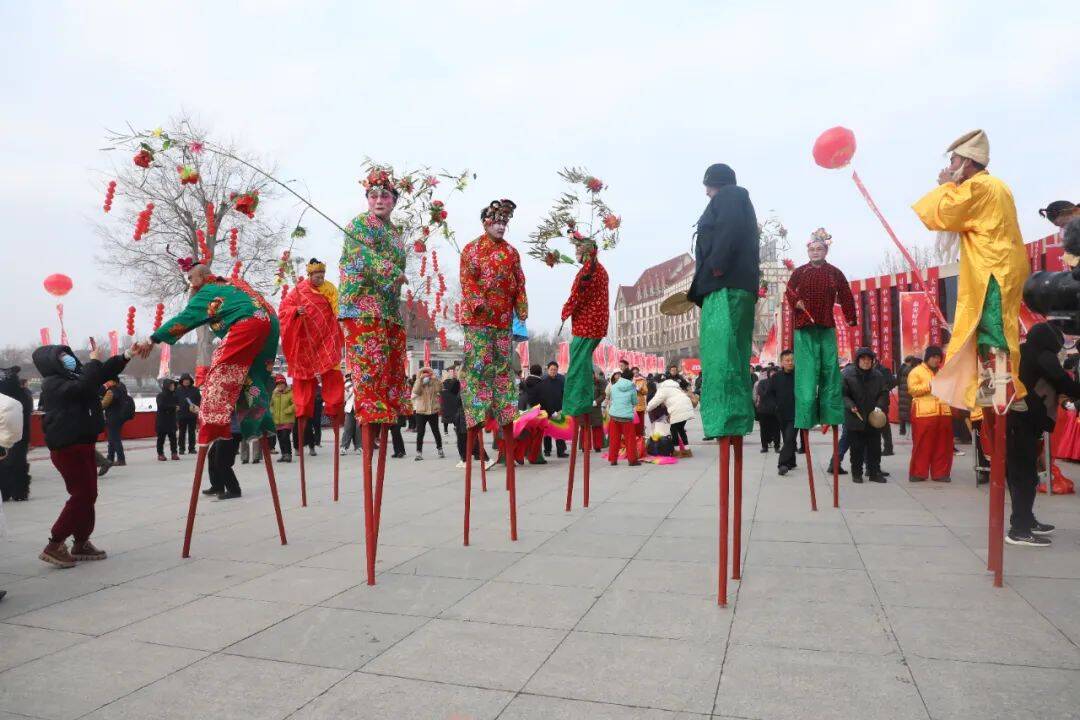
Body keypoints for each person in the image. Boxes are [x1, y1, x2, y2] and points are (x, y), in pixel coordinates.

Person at [912, 129, 1029, 412]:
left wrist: (944, 186)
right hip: (996, 263)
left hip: (993, 266)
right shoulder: (993, 186)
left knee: (991, 323)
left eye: (953, 161)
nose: (949, 168)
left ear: (968, 162)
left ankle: (1004, 385)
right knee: (988, 324)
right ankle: (995, 382)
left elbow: (945, 213)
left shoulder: (982, 187)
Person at [138, 262, 279, 446]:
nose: (190, 284)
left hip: (248, 323)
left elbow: (185, 319)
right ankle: (258, 424)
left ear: (202, 277)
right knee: (251, 376)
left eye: (191, 279)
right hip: (271, 324)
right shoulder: (233, 282)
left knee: (218, 373)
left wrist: (153, 339)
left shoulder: (207, 291)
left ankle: (214, 427)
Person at [32, 343, 131, 567]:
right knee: (82, 495)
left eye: (68, 354)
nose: (68, 359)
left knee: (89, 495)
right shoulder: (53, 384)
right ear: (51, 363)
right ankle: (55, 543)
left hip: (83, 443)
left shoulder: (74, 377)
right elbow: (85, 385)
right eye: (62, 357)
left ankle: (81, 541)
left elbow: (101, 373)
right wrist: (94, 361)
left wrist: (126, 356)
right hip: (68, 446)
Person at [687, 163, 760, 441]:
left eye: (708, 185)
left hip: (725, 284)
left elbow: (729, 229)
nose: (706, 192)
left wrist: (717, 264)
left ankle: (725, 419)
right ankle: (733, 417)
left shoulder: (730, 197)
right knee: (734, 353)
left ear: (716, 182)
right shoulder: (738, 199)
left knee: (721, 352)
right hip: (734, 285)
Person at [339, 169, 410, 455]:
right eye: (373, 195)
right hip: (362, 305)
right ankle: (369, 415)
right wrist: (392, 271)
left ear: (393, 200)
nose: (379, 200)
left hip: (388, 308)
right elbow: (363, 257)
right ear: (367, 199)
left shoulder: (394, 232)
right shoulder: (359, 224)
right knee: (370, 362)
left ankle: (392, 409)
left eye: (385, 195)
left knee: (390, 364)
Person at [1006, 322, 1080, 546]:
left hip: (1022, 421)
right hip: (1023, 422)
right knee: (1024, 476)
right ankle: (1019, 529)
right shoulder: (1043, 356)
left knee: (1025, 474)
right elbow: (1064, 382)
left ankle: (1025, 520)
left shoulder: (1026, 350)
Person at [459, 199, 528, 440]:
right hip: (478, 319)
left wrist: (521, 305)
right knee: (478, 364)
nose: (501, 227)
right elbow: (468, 281)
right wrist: (478, 303)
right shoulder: (472, 249)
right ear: (485, 223)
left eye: (504, 223)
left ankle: (506, 410)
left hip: (502, 320)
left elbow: (520, 281)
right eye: (497, 222)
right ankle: (476, 413)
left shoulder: (511, 252)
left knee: (502, 366)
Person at [784, 228, 858, 434]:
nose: (815, 252)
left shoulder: (834, 272)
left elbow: (845, 295)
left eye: (819, 249)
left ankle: (831, 414)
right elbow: (789, 291)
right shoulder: (800, 272)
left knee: (830, 370)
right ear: (808, 252)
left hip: (825, 324)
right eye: (812, 249)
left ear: (826, 251)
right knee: (806, 373)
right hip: (804, 326)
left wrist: (851, 317)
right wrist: (795, 302)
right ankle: (806, 415)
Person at [279, 257, 344, 455]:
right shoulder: (298, 291)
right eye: (317, 275)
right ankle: (299, 433)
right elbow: (283, 310)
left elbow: (337, 310)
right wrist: (295, 312)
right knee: (303, 383)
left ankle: (335, 413)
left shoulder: (330, 289)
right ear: (310, 275)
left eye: (322, 275)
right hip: (305, 342)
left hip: (326, 338)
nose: (320, 279)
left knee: (333, 375)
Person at [906, 346, 953, 482]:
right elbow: (912, 390)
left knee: (943, 445)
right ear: (927, 357)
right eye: (933, 357)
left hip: (943, 411)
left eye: (938, 357)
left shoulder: (944, 372)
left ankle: (941, 473)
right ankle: (918, 473)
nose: (936, 360)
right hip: (924, 413)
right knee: (922, 444)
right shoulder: (916, 371)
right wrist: (930, 386)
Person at [842, 347, 888, 484]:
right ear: (858, 360)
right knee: (856, 449)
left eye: (869, 359)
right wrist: (850, 405)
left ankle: (874, 473)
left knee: (875, 448)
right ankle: (857, 474)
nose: (866, 362)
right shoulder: (847, 374)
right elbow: (842, 394)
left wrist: (879, 406)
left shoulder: (878, 376)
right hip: (855, 417)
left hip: (873, 418)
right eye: (863, 359)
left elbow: (883, 393)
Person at [0, 366, 32, 501]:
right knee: (18, 463)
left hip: (7, 433)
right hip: (20, 433)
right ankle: (19, 492)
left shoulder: (6, 396)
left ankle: (6, 492)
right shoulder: (23, 394)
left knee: (5, 464)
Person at [646, 373, 695, 457]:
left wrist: (647, 408)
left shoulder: (663, 389)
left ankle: (677, 451)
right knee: (681, 429)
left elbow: (655, 401)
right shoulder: (675, 387)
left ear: (658, 382)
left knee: (673, 429)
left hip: (678, 409)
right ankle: (687, 450)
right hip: (686, 407)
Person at [766, 350, 798, 475]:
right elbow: (769, 394)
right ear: (782, 362)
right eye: (787, 360)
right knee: (788, 438)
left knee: (789, 438)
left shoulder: (798, 376)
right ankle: (792, 461)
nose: (790, 363)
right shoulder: (776, 377)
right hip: (781, 414)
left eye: (792, 360)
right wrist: (775, 406)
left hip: (796, 413)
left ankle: (782, 464)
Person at [201, 412, 242, 500]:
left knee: (222, 461)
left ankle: (234, 489)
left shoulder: (234, 398)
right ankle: (217, 486)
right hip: (223, 429)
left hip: (232, 431)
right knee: (212, 456)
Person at [607, 372, 640, 466]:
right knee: (630, 439)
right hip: (626, 417)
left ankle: (613, 460)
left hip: (614, 416)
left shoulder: (613, 386)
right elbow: (634, 402)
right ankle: (632, 460)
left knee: (614, 439)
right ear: (631, 378)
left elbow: (612, 399)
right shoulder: (632, 387)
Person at [412, 366, 444, 460]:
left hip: (433, 411)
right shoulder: (419, 382)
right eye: (424, 373)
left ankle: (440, 449)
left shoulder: (434, 382)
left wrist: (435, 378)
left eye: (427, 373)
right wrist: (420, 379)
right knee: (420, 432)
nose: (426, 375)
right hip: (421, 412)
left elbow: (440, 389)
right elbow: (416, 391)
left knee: (436, 431)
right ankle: (419, 453)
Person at [538, 361, 567, 457]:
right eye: (551, 369)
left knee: (560, 430)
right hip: (547, 410)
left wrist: (564, 407)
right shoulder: (543, 380)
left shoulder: (561, 379)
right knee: (547, 432)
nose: (553, 371)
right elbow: (541, 397)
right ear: (547, 369)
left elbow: (565, 394)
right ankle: (547, 450)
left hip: (559, 408)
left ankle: (561, 451)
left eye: (555, 369)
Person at [270, 376, 295, 462]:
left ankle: (288, 454)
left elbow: (295, 404)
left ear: (285, 384)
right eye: (278, 384)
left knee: (285, 437)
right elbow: (271, 405)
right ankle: (283, 454)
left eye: (282, 383)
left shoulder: (290, 393)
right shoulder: (274, 393)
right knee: (280, 438)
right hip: (277, 420)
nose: (280, 385)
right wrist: (272, 411)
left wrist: (288, 410)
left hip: (287, 419)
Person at [754, 368, 779, 454]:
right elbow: (762, 394)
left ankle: (777, 446)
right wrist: (770, 384)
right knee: (764, 429)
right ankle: (764, 446)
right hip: (763, 410)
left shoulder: (779, 383)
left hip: (775, 410)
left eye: (775, 373)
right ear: (768, 374)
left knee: (776, 429)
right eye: (772, 373)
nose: (773, 374)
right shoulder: (762, 382)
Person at [175, 373, 201, 454]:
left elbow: (199, 401)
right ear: (182, 381)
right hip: (181, 414)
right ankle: (181, 448)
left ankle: (191, 448)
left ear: (190, 381)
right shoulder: (177, 390)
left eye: (188, 380)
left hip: (192, 414)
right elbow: (175, 401)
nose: (186, 381)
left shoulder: (195, 390)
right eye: (184, 380)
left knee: (192, 432)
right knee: (182, 432)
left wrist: (196, 407)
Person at [155, 378, 179, 461]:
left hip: (171, 419)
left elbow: (178, 404)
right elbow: (161, 406)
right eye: (171, 385)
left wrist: (177, 407)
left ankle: (174, 453)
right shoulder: (160, 395)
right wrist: (173, 407)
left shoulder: (174, 395)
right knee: (161, 438)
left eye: (173, 385)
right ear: (167, 386)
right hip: (162, 420)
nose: (173, 387)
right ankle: (160, 454)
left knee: (173, 438)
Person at [876, 359, 897, 456]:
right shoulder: (869, 370)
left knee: (884, 426)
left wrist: (886, 387)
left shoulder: (884, 370)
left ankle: (888, 448)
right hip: (872, 402)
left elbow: (894, 381)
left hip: (882, 402)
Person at [896, 355, 918, 436]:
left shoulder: (901, 368)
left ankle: (902, 430)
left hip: (901, 391)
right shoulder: (912, 370)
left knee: (902, 409)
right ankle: (913, 429)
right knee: (910, 409)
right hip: (909, 391)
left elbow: (897, 381)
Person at [439, 366, 459, 435]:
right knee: (454, 416)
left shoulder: (442, 384)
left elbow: (439, 392)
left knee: (445, 418)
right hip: (453, 402)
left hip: (445, 403)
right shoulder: (455, 382)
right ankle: (456, 427)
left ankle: (445, 431)